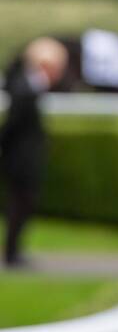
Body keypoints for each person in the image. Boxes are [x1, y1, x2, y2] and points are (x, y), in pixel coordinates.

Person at [1, 37, 68, 267]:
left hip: (23, 159)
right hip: (20, 161)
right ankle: (12, 253)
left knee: (23, 204)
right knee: (20, 204)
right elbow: (12, 126)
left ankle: (14, 251)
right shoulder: (25, 89)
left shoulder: (30, 87)